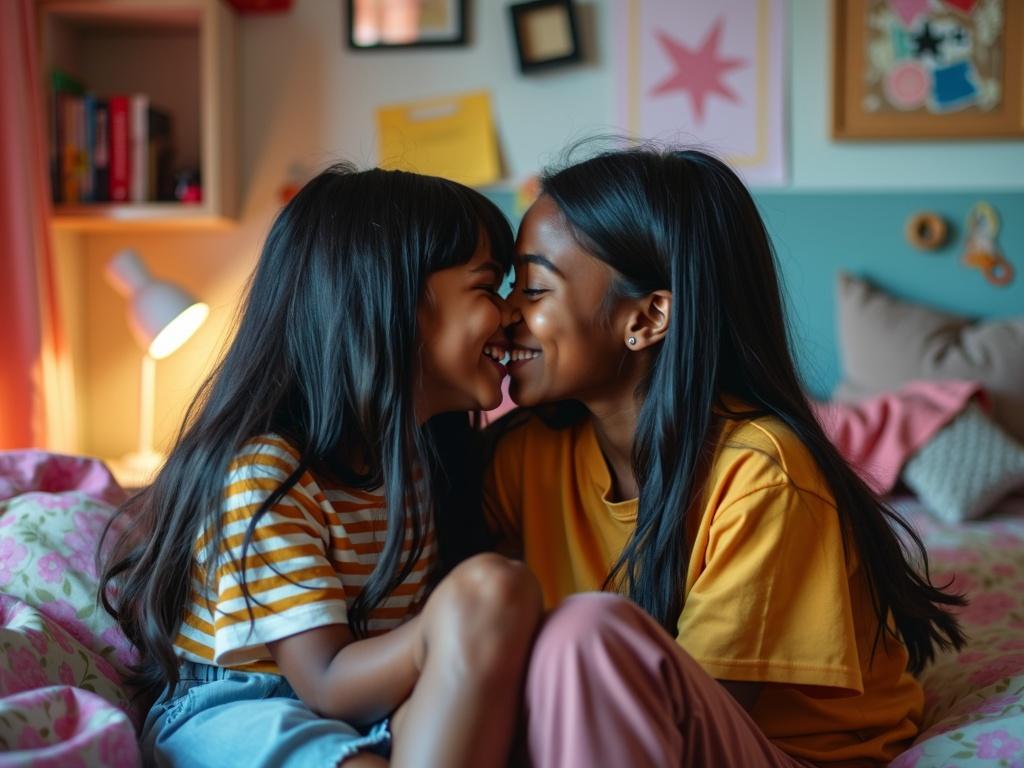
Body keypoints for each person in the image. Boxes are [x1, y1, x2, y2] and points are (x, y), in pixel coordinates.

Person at [484, 146, 966, 767]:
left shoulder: (762, 473)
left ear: (648, 316)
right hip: (627, 731)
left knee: (586, 636)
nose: (505, 312)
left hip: (783, 752)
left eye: (533, 287)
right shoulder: (526, 454)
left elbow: (696, 713)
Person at [99, 163, 542, 768]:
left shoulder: (427, 463)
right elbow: (326, 681)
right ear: (392, 304)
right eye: (489, 286)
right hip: (241, 708)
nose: (512, 313)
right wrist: (453, 621)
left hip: (370, 702)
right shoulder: (269, 474)